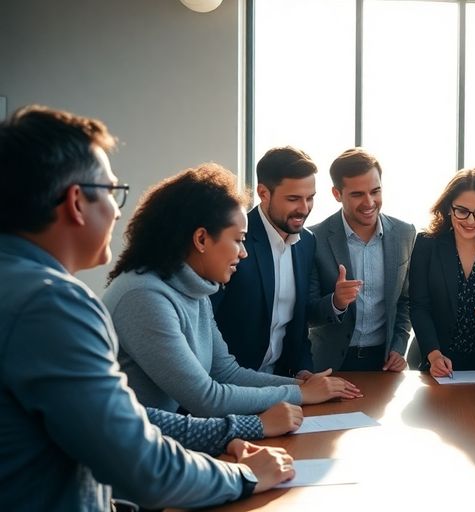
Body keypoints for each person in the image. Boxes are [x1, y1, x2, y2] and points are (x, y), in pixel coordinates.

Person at [0, 105, 293, 509]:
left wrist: (238, 430)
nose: (118, 210)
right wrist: (244, 474)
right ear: (75, 202)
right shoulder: (51, 303)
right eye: (111, 191)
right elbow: (143, 466)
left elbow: (124, 425)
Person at [104, 164, 351, 416]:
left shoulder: (195, 289)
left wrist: (306, 386)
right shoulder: (144, 296)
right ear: (201, 239)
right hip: (140, 450)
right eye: (237, 240)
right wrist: (301, 394)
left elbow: (226, 373)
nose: (243, 253)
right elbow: (206, 397)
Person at [213, 147, 337, 385]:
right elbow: (206, 326)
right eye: (293, 199)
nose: (304, 208)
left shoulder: (307, 242)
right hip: (230, 388)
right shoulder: (234, 239)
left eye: (310, 197)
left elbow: (298, 325)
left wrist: (303, 372)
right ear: (263, 193)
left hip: (283, 384)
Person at [307, 148, 417, 372]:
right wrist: (336, 302)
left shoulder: (405, 234)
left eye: (375, 191)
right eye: (357, 194)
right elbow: (308, 312)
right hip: (329, 365)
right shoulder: (313, 239)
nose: (369, 202)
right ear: (337, 194)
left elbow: (405, 301)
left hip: (384, 363)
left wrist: (399, 346)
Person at [410, 168, 475, 376]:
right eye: (462, 211)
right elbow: (419, 306)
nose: (470, 220)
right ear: (449, 208)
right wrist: (434, 355)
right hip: (435, 361)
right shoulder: (426, 244)